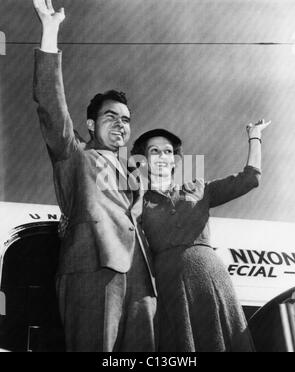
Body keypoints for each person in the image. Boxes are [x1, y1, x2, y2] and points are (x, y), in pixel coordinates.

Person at [32, 0, 157, 352]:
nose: (121, 124)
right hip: (93, 268)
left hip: (142, 283)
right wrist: (50, 30)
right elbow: (51, 106)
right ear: (90, 124)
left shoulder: (136, 175)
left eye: (126, 120)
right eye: (111, 117)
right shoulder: (74, 155)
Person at [131, 119, 270, 352]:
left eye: (168, 151)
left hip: (212, 279)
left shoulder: (199, 188)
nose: (163, 156)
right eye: (154, 151)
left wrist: (254, 135)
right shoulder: (138, 201)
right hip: (170, 287)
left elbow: (251, 179)